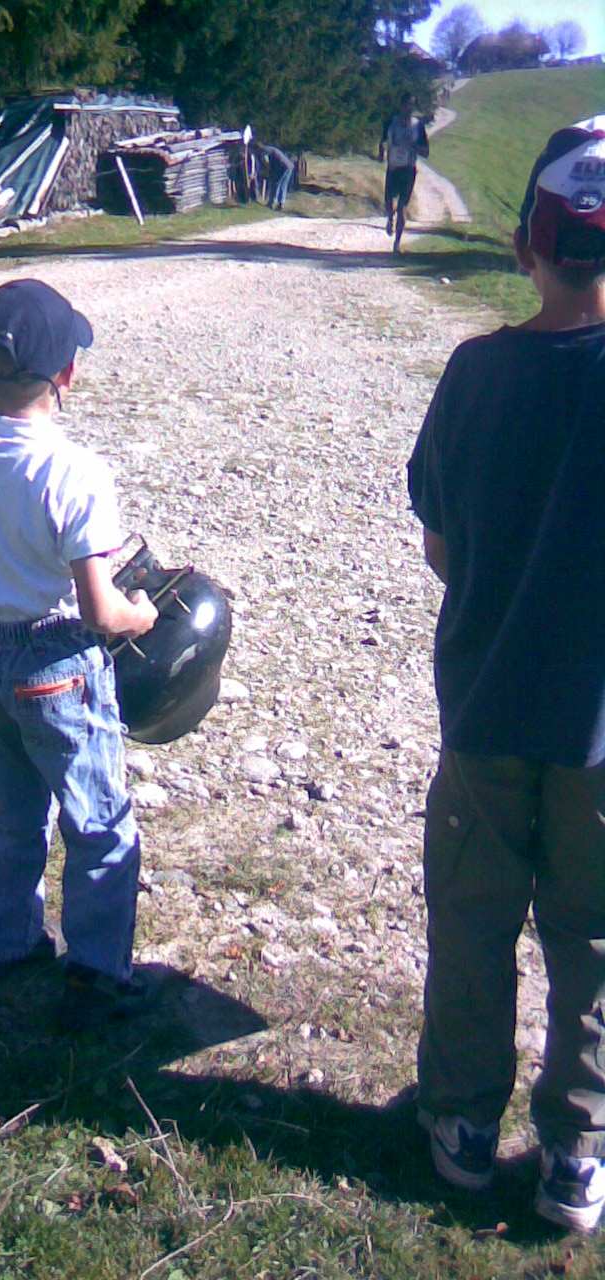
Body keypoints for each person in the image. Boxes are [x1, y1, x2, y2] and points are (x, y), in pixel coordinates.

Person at [407, 120, 605, 1232]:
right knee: (593, 932)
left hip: (484, 706)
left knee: (474, 917)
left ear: (525, 245)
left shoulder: (475, 372)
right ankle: (577, 1150)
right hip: (601, 728)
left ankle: (466, 1125)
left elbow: (441, 543)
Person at [0, 278, 158, 1030]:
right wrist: (141, 614)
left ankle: (4, 943)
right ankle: (95, 972)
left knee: (15, 807)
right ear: (67, 375)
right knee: (98, 819)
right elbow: (98, 607)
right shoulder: (76, 470)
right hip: (54, 660)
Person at [378, 93, 429, 252]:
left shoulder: (418, 126)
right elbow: (383, 141)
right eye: (407, 105)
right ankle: (389, 218)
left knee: (402, 207)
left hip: (408, 170)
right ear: (401, 105)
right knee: (388, 202)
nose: (409, 108)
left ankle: (397, 243)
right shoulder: (391, 122)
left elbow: (426, 152)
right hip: (393, 168)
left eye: (412, 105)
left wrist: (413, 146)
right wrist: (382, 151)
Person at [260, 144, 295, 211]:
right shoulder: (270, 148)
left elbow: (267, 163)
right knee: (283, 185)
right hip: (289, 165)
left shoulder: (264, 152)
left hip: (282, 166)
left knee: (276, 184)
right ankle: (281, 203)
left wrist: (266, 172)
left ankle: (271, 202)